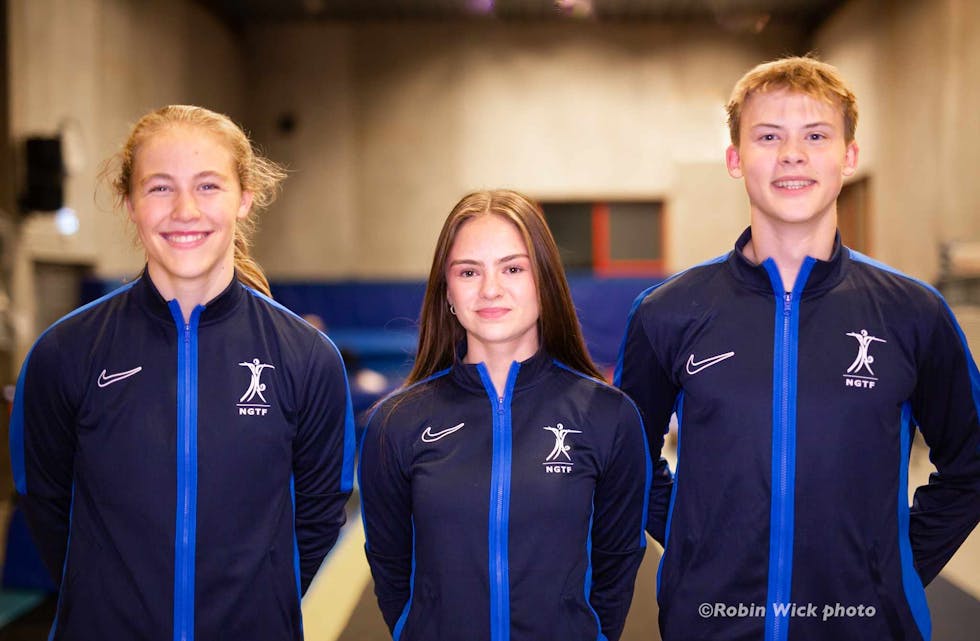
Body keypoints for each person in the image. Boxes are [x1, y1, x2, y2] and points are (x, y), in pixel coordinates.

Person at [617, 55, 980, 641]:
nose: (792, 154)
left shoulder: (914, 314)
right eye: (768, 136)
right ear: (736, 159)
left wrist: (893, 567)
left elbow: (973, 462)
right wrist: (692, 547)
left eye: (816, 135)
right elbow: (623, 461)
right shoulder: (667, 313)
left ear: (849, 156)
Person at [9, 105, 355, 640]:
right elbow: (46, 505)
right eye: (160, 188)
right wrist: (107, 600)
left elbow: (317, 516)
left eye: (209, 186)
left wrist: (254, 605)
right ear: (129, 202)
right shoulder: (66, 353)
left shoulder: (305, 357)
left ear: (245, 198)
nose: (185, 210)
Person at [358, 189, 651, 641]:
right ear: (447, 290)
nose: (490, 289)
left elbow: (617, 563)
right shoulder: (397, 423)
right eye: (469, 271)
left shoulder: (608, 416)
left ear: (545, 282)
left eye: (513, 268)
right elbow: (390, 564)